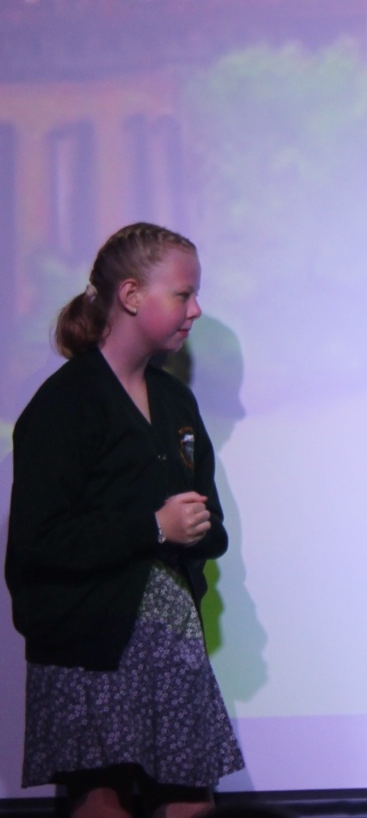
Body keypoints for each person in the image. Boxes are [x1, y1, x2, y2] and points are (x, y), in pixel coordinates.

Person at [5, 223, 243, 818]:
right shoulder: (66, 404)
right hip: (90, 645)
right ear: (132, 296)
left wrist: (198, 531)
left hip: (169, 643)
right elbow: (37, 543)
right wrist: (153, 527)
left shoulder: (175, 401)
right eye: (183, 294)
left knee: (190, 804)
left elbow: (207, 520)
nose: (195, 309)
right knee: (102, 804)